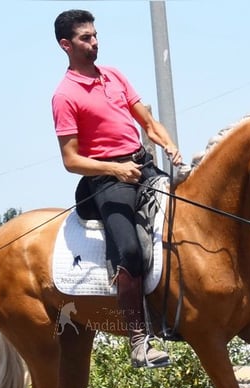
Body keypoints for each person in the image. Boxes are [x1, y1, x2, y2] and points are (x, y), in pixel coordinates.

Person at [52, 9, 183, 368]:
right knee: (130, 250)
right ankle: (140, 342)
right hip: (107, 180)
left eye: (95, 35)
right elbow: (70, 159)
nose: (94, 42)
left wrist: (169, 145)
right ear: (67, 45)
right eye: (85, 38)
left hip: (142, 165)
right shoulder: (64, 96)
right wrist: (115, 168)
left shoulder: (114, 76)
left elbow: (148, 123)